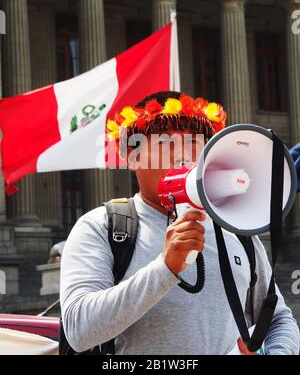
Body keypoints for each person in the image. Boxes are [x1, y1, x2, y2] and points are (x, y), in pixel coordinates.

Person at [60, 91, 300, 355]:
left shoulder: (236, 231)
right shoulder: (102, 228)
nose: (182, 155)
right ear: (132, 156)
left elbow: (278, 319)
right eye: (166, 143)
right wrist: (164, 269)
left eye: (194, 143)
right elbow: (78, 330)